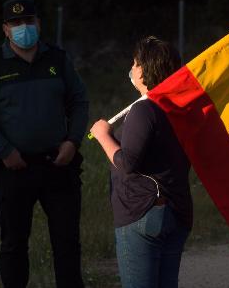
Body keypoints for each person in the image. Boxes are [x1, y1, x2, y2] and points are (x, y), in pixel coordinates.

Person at [0, 0, 88, 288]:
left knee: (67, 243)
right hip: (14, 168)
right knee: (13, 245)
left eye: (29, 21)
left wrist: (72, 141)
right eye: (17, 23)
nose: (24, 28)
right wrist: (5, 151)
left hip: (57, 164)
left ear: (39, 24)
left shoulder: (57, 60)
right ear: (6, 29)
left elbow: (79, 101)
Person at [89, 36, 192, 288]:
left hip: (143, 212)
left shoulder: (144, 110)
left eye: (136, 63)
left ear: (146, 70)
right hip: (176, 211)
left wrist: (103, 136)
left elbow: (127, 162)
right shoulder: (180, 108)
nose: (132, 69)